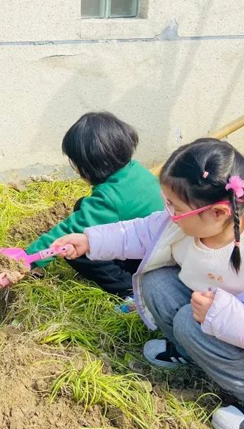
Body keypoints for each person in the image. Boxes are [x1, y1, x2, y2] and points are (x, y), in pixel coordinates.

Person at [52, 138, 244, 429]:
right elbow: (139, 231)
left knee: (190, 322)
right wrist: (89, 241)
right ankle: (191, 350)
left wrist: (224, 316)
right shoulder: (185, 222)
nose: (168, 213)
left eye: (174, 207)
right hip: (214, 319)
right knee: (156, 282)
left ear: (218, 213)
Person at [22, 112, 162, 299]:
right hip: (155, 244)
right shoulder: (136, 170)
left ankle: (130, 290)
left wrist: (27, 258)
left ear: (89, 167)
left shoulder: (110, 199)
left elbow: (67, 233)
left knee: (79, 249)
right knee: (82, 206)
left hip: (148, 260)